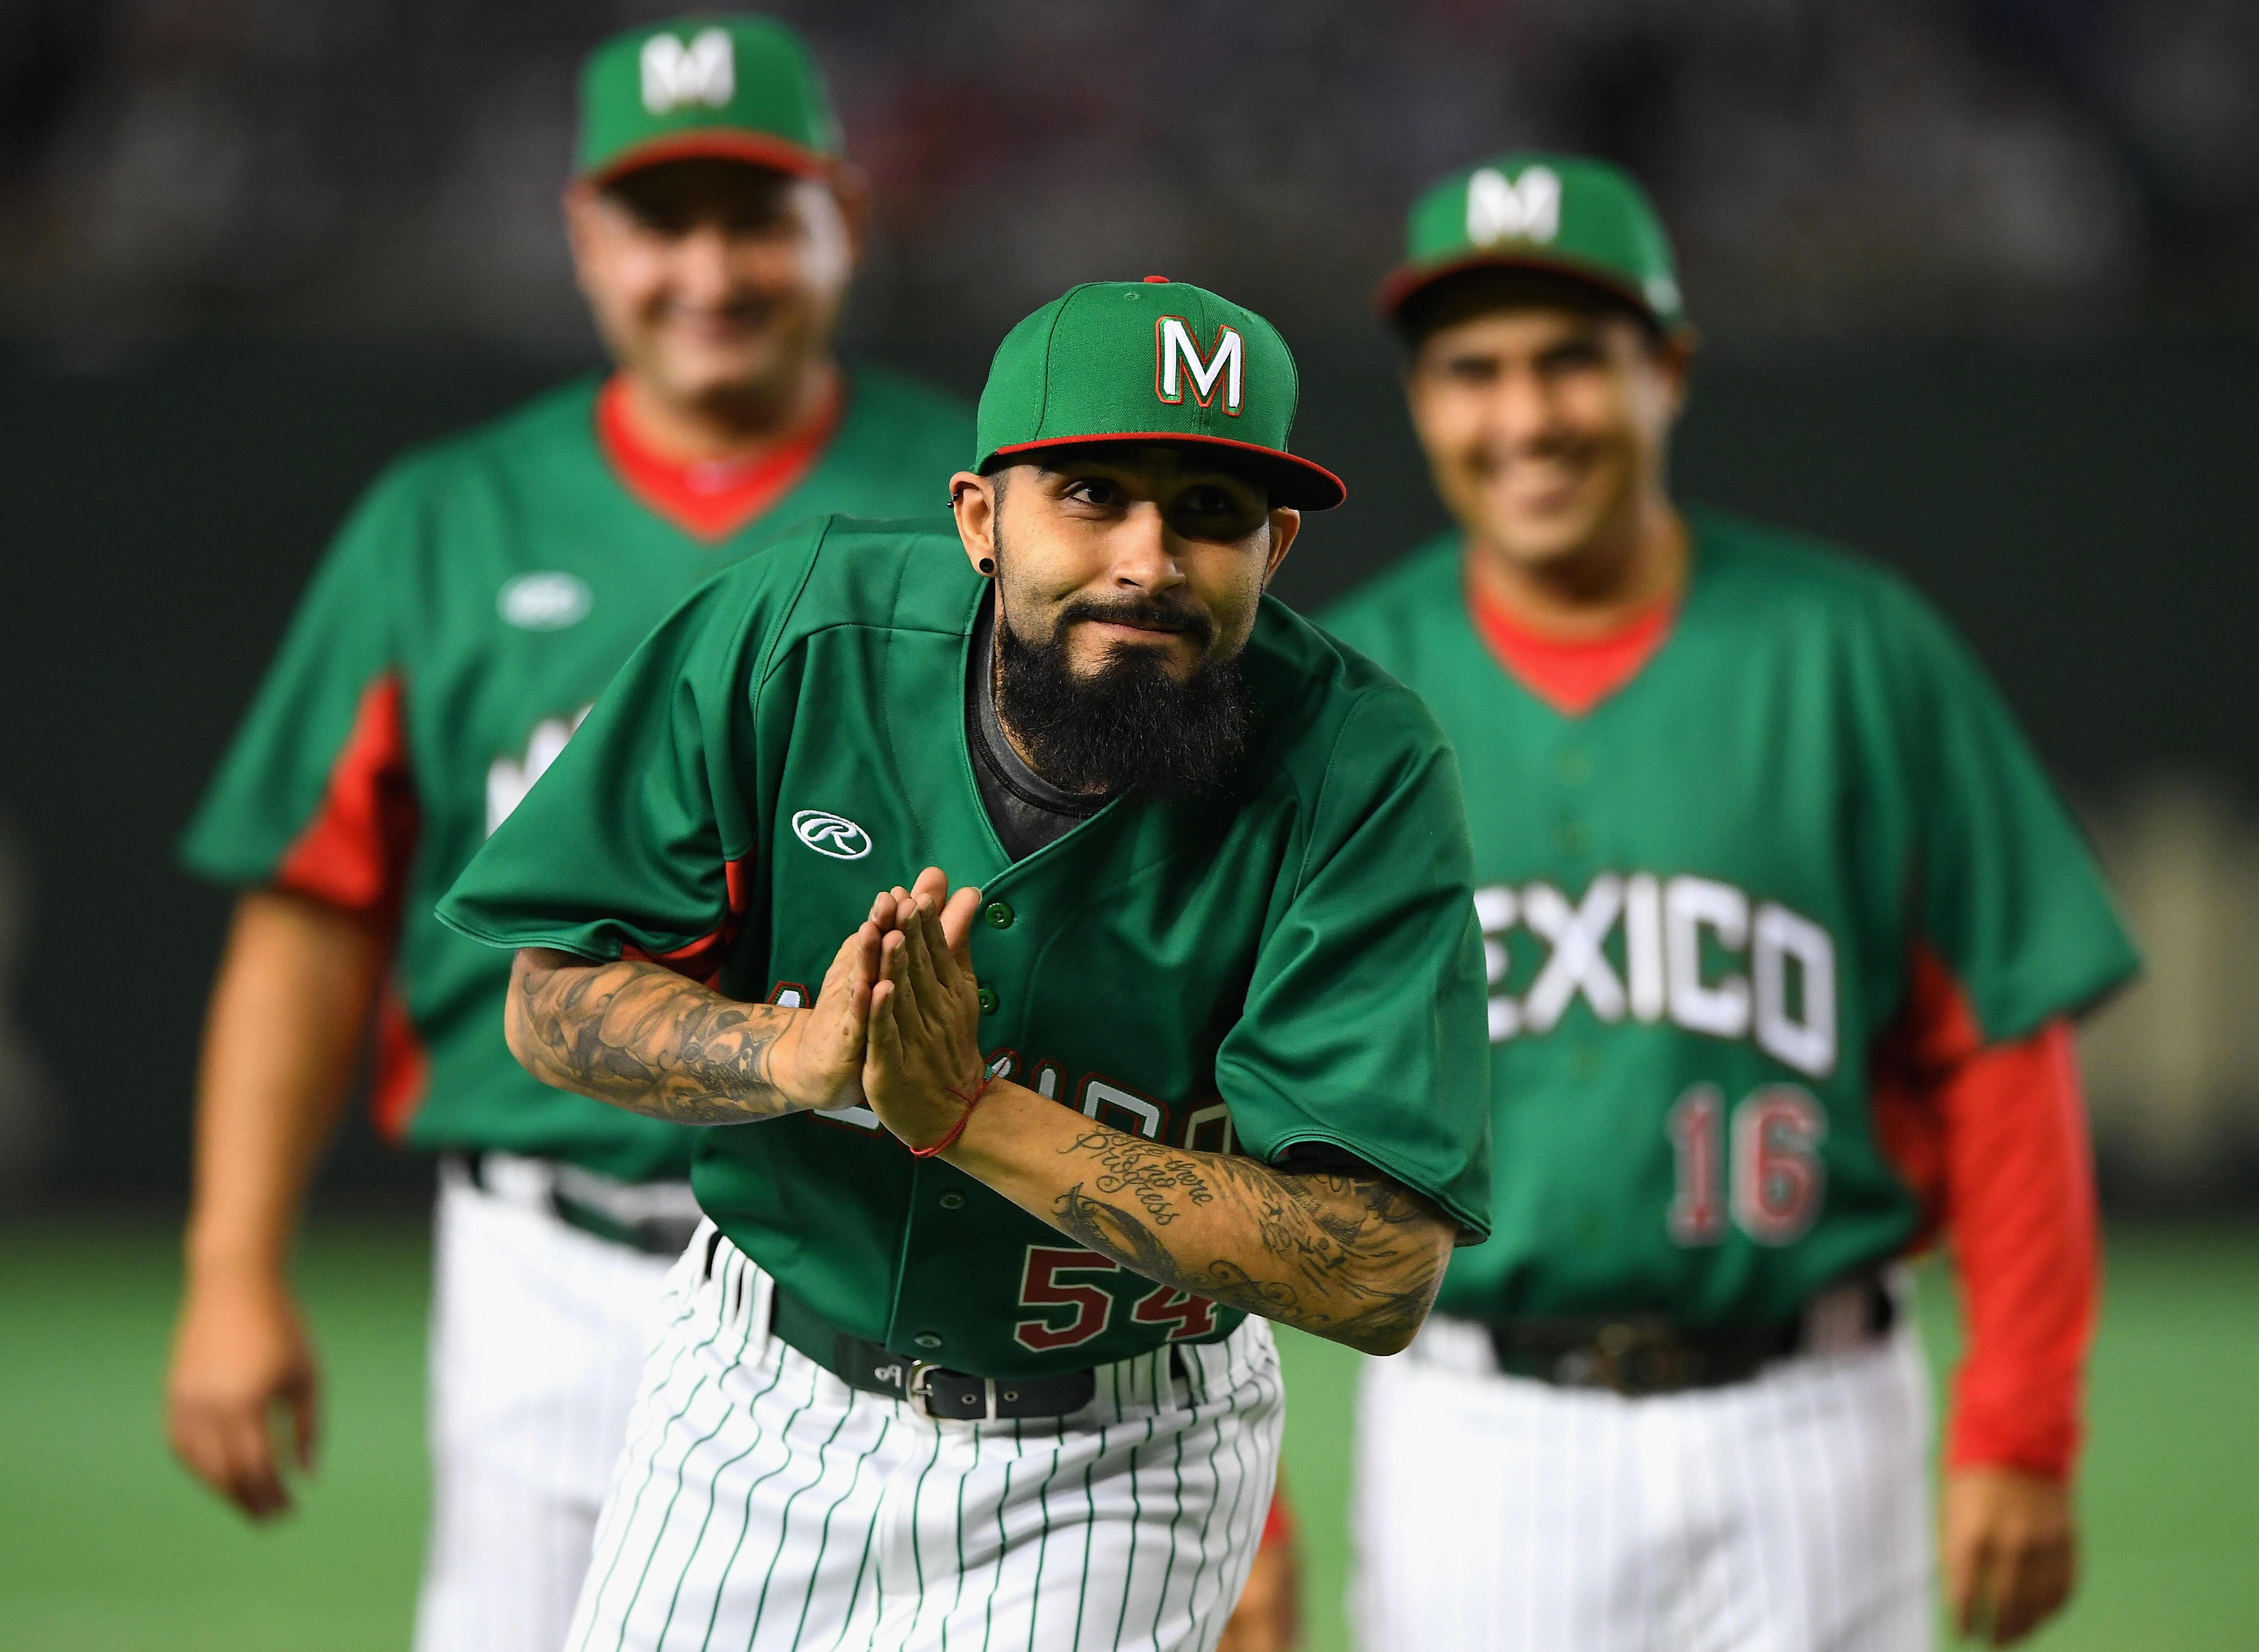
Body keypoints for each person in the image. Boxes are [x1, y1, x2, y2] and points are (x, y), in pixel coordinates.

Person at [436, 275, 1493, 1652]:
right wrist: (790, 1056)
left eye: (1211, 510)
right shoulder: (801, 634)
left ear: (1278, 546)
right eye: (1093, 494)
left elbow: (1376, 1266)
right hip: (755, 1390)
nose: (1150, 558)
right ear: (981, 519)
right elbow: (550, 998)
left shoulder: (1361, 769)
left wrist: (967, 1116)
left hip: (1115, 1459)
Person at [165, 17, 974, 1651]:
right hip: (556, 1263)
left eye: (756, 214)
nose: (709, 267)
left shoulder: (974, 505)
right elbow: (314, 915)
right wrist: (231, 1267)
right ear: (584, 238)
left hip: (898, 1249)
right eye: (660, 219)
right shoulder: (448, 520)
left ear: (847, 219)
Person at [1322, 153, 2139, 1651]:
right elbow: (1201, 1100)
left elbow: (2005, 1059)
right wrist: (1245, 1502)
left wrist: (2022, 1423)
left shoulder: (1853, 650)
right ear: (1423, 399)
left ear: (1670, 369)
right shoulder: (1347, 693)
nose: (1526, 417)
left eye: (1574, 358)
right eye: (1473, 370)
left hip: (1812, 1417)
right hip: (1472, 1424)